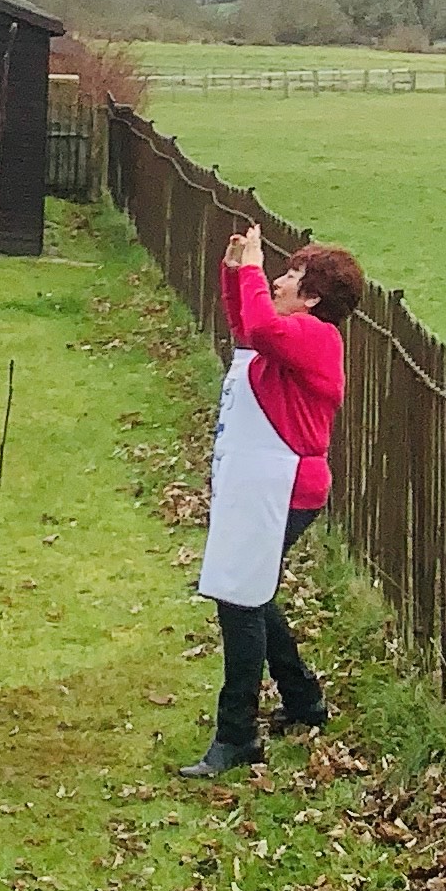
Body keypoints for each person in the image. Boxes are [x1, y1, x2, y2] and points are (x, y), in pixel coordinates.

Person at [188, 225, 351, 775]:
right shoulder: (290, 337)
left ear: (312, 299)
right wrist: (235, 269)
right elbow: (244, 326)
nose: (278, 281)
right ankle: (304, 699)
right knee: (250, 591)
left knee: (240, 597)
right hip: (262, 482)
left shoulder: (318, 337)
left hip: (285, 488)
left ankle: (237, 734)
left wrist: (254, 266)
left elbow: (259, 323)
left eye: (290, 277)